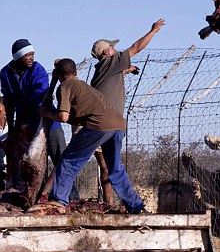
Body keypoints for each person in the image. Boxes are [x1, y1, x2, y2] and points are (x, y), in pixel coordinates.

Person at [38, 58, 145, 213]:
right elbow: (77, 116)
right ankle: (135, 206)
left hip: (98, 126)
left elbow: (63, 117)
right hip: (118, 124)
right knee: (114, 167)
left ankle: (58, 201)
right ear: (75, 72)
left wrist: (47, 112)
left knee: (69, 161)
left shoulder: (65, 86)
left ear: (60, 75)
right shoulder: (83, 86)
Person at [88, 19, 165, 205]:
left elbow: (112, 78)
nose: (115, 50)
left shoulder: (102, 70)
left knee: (106, 167)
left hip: (101, 124)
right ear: (107, 52)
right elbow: (136, 47)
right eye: (112, 48)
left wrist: (127, 70)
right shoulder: (112, 62)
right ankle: (131, 204)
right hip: (109, 125)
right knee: (109, 167)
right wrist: (153, 31)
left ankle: (123, 204)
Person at [0, 39, 79, 198]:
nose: (31, 58)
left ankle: (72, 197)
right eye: (27, 55)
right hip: (24, 123)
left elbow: (40, 98)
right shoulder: (5, 73)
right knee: (28, 164)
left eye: (32, 54)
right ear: (17, 57)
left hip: (48, 122)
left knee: (60, 159)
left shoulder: (38, 70)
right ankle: (30, 196)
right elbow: (8, 101)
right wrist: (14, 126)